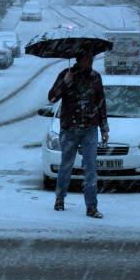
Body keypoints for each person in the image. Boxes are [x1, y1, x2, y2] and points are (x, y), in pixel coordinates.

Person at [48, 47, 109, 218]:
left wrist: (104, 127)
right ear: (79, 59)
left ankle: (92, 207)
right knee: (66, 165)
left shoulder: (95, 77)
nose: (90, 61)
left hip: (90, 128)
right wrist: (64, 83)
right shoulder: (66, 74)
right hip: (69, 128)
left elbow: (101, 103)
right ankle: (60, 198)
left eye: (91, 58)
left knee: (90, 167)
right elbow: (52, 97)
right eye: (87, 58)